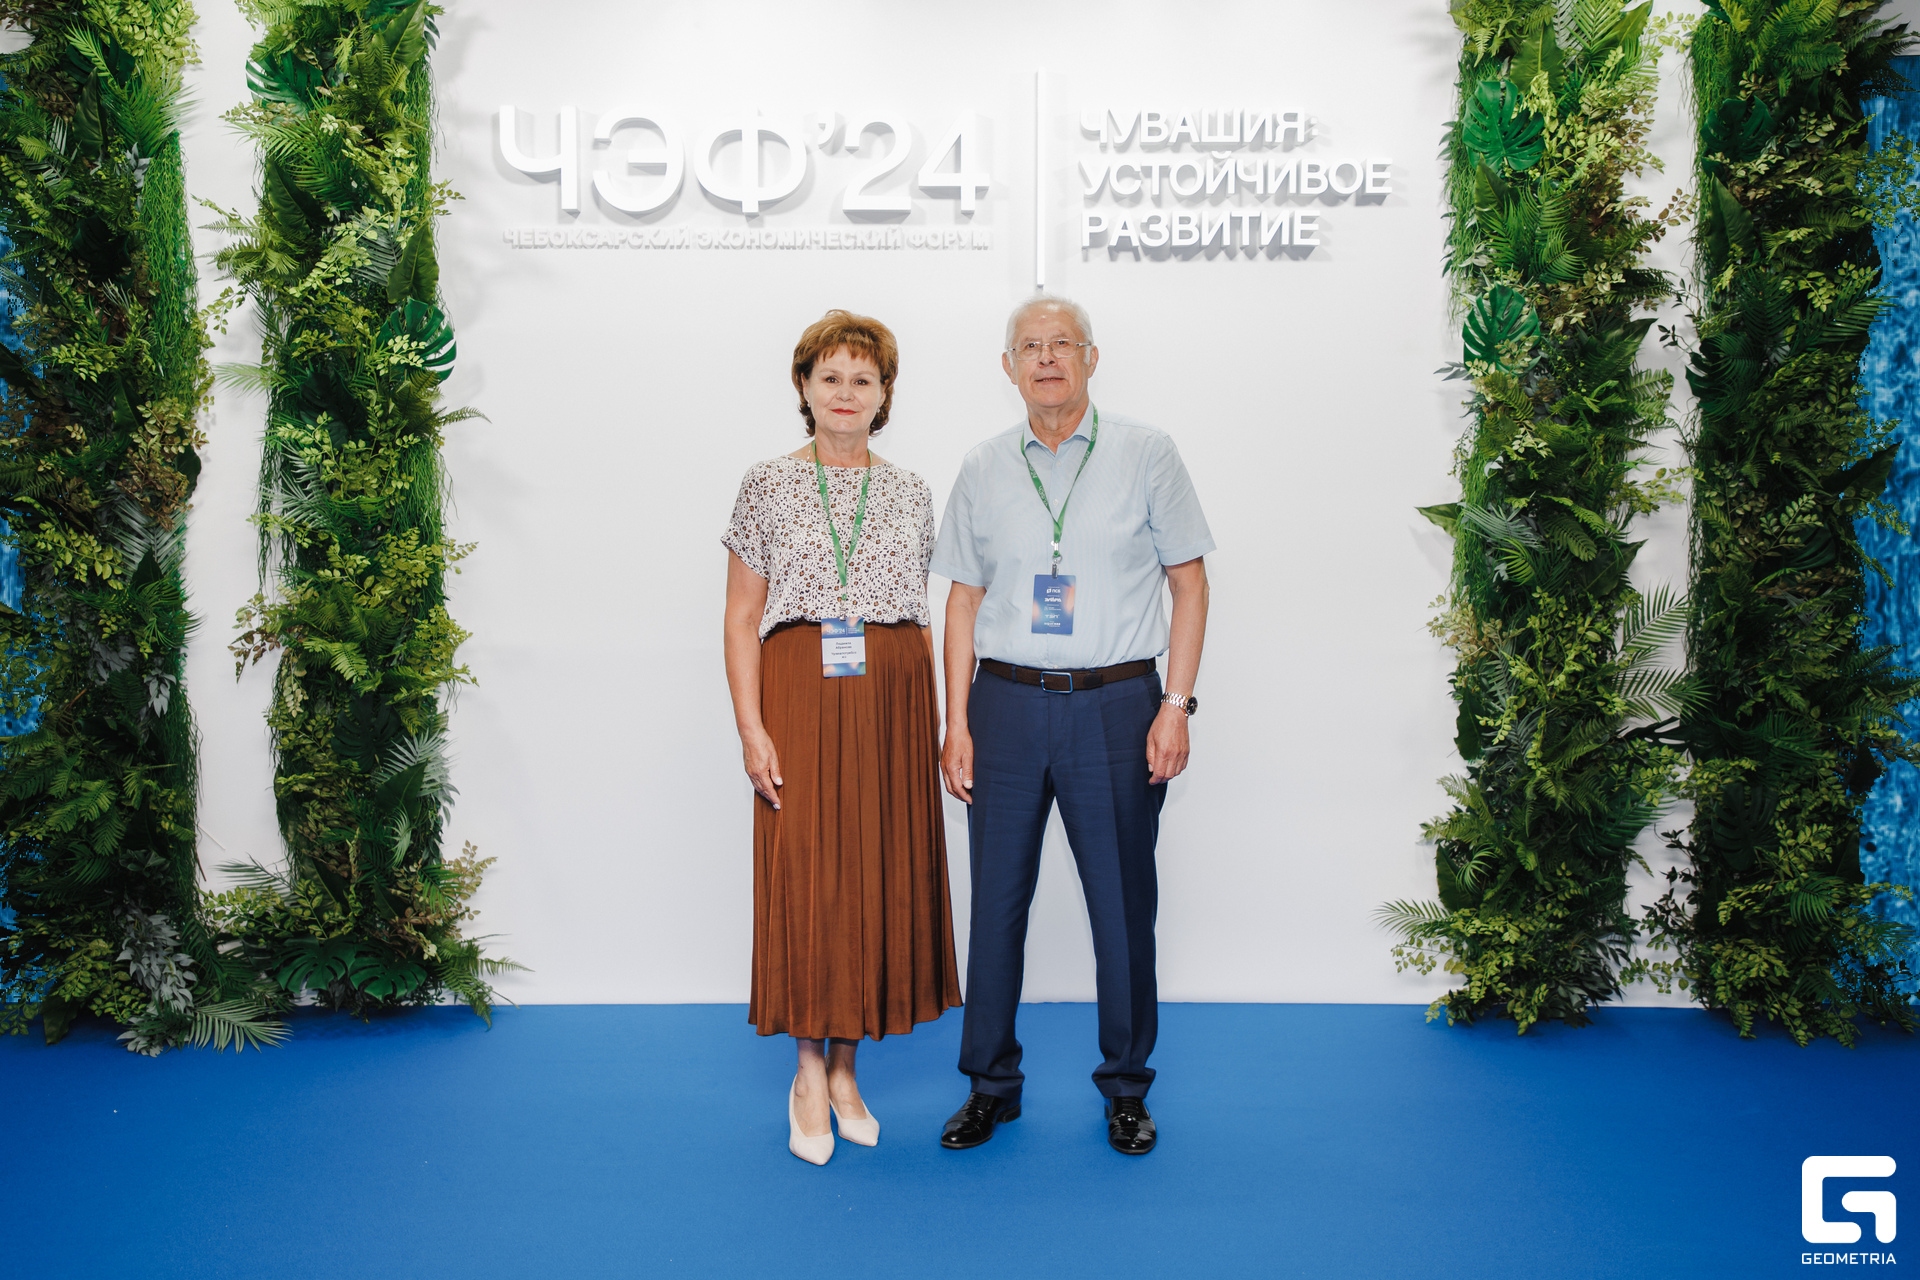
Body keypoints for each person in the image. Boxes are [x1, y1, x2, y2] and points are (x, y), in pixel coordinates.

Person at [930, 295, 1213, 1156]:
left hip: (1117, 705)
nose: (1046, 358)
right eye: (1030, 346)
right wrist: (956, 721)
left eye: (1063, 344)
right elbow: (963, 601)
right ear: (1007, 367)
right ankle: (990, 1085)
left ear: (1092, 358)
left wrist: (1175, 704)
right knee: (996, 905)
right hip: (1006, 706)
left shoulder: (1147, 453)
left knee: (1122, 908)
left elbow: (1190, 584)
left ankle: (1126, 1089)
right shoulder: (983, 466)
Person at [721, 310, 962, 1166]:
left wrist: (939, 721)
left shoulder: (912, 491)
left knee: (872, 872)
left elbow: (921, 616)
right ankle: (806, 1073)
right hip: (799, 688)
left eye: (864, 379)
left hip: (891, 693)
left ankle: (849, 1069)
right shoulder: (766, 483)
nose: (846, 393)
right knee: (809, 873)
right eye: (831, 377)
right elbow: (741, 617)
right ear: (804, 387)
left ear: (885, 393)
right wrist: (751, 727)